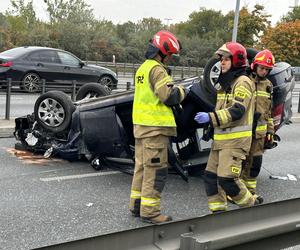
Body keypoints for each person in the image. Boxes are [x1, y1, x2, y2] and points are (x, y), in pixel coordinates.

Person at [194, 42, 263, 213]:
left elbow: (237, 110)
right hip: (221, 141)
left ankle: (251, 205)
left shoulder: (242, 82)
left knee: (227, 179)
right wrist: (211, 127)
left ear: (237, 61)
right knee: (210, 177)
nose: (222, 63)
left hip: (235, 141)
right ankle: (219, 214)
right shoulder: (225, 84)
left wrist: (210, 118)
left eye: (226, 59)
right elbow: (221, 110)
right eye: (221, 59)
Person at [129, 30, 188, 224]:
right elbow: (168, 96)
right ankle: (151, 212)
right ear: (162, 51)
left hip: (141, 128)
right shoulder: (157, 69)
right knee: (156, 171)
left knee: (141, 168)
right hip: (155, 129)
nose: (170, 58)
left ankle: (137, 205)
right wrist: (182, 91)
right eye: (169, 54)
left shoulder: (142, 69)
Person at [241, 49, 275, 195]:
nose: (264, 72)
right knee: (240, 163)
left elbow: (269, 112)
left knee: (255, 164)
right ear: (254, 66)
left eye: (267, 69)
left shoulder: (268, 85)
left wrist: (270, 132)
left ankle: (250, 191)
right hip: (243, 131)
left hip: (259, 134)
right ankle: (238, 192)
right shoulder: (244, 81)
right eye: (262, 68)